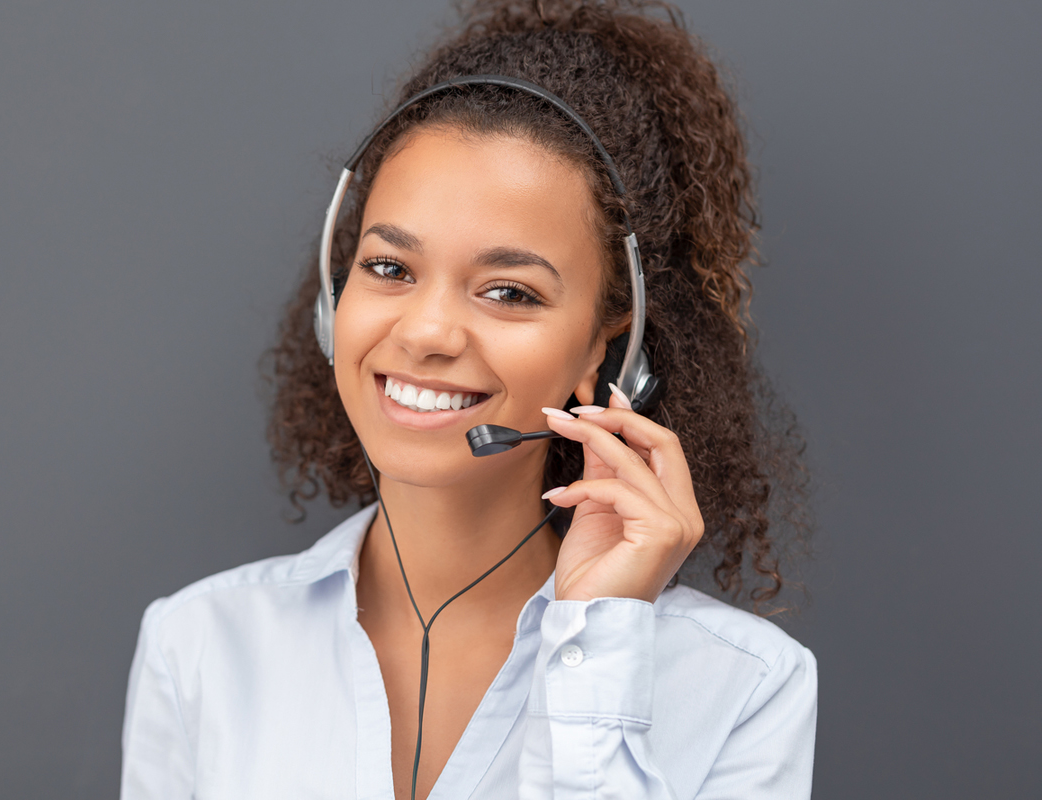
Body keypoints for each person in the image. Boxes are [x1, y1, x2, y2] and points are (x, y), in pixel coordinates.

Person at [119, 1, 817, 798]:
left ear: (607, 348)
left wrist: (598, 654)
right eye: (390, 269)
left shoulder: (743, 689)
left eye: (508, 291)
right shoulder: (200, 646)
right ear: (331, 298)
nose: (427, 332)